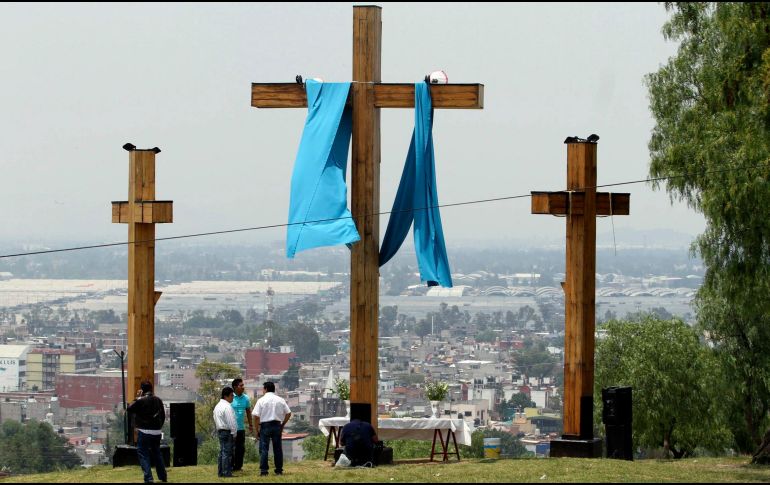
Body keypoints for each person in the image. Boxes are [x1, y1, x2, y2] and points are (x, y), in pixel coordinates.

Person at [127, 380, 167, 483]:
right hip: (157, 432)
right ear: (151, 388)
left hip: (144, 431)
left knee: (143, 453)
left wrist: (137, 397)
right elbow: (163, 416)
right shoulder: (158, 400)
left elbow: (130, 408)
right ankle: (163, 476)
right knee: (157, 452)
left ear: (142, 389)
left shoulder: (141, 400)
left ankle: (149, 478)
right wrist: (159, 427)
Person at [251, 381, 291, 476]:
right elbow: (288, 413)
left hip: (265, 426)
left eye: (263, 389)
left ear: (265, 389)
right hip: (277, 425)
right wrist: (283, 424)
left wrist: (257, 430)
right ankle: (279, 470)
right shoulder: (280, 400)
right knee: (277, 448)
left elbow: (256, 417)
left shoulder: (261, 400)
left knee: (264, 449)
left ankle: (264, 471)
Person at [214, 386, 238, 478]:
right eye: (231, 395)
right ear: (226, 396)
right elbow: (231, 422)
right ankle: (226, 473)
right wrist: (234, 433)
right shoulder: (227, 407)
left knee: (222, 452)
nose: (233, 397)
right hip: (227, 432)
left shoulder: (217, 406)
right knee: (227, 453)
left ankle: (221, 472)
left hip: (220, 430)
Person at [230, 378, 253, 471]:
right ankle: (230, 466)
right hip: (231, 428)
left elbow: (248, 412)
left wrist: (250, 425)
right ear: (235, 387)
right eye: (241, 385)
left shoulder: (246, 398)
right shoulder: (230, 397)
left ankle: (238, 466)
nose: (243, 387)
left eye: (243, 385)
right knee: (231, 448)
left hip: (241, 428)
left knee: (241, 449)